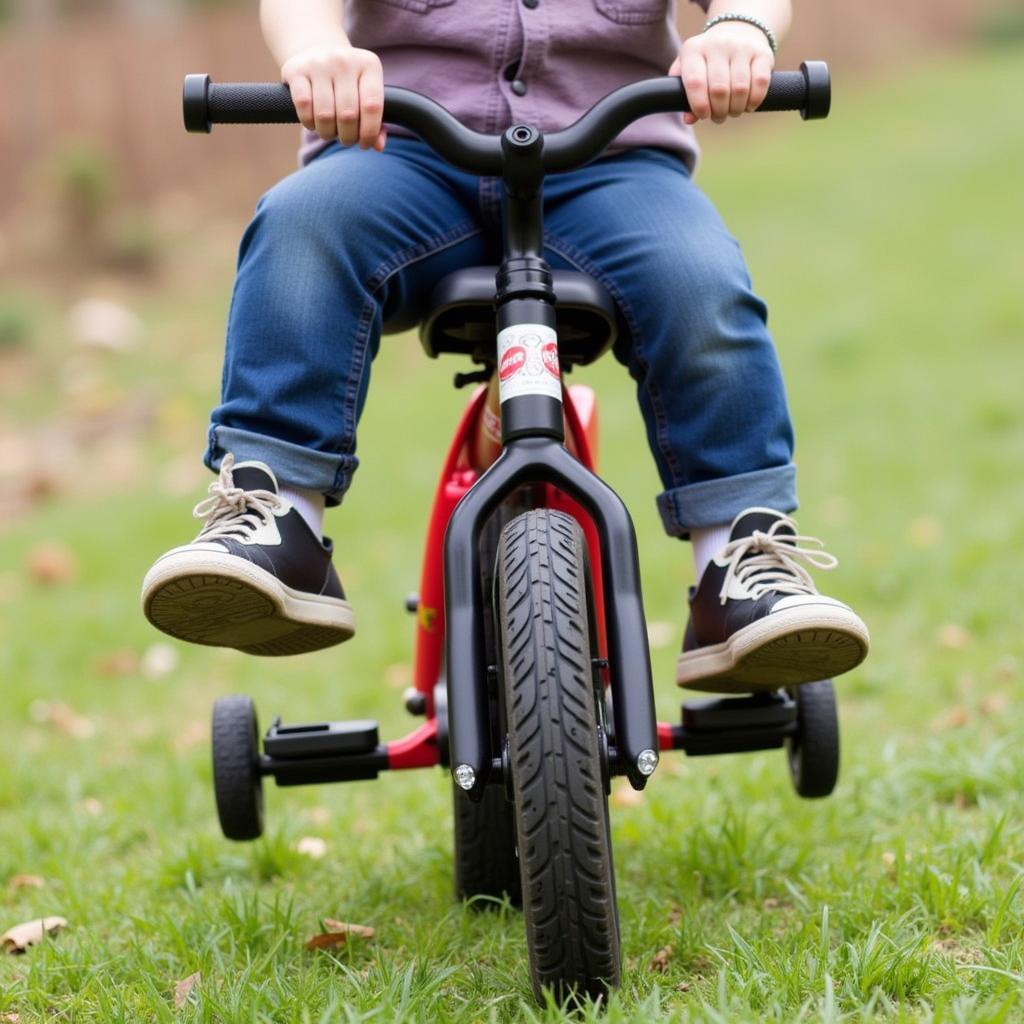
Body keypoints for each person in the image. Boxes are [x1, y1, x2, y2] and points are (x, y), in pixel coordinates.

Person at [142, 0, 869, 690]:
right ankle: (276, 512)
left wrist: (740, 32)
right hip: (402, 156)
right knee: (302, 227)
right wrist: (317, 52)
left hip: (610, 164)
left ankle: (738, 561)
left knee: (699, 278)